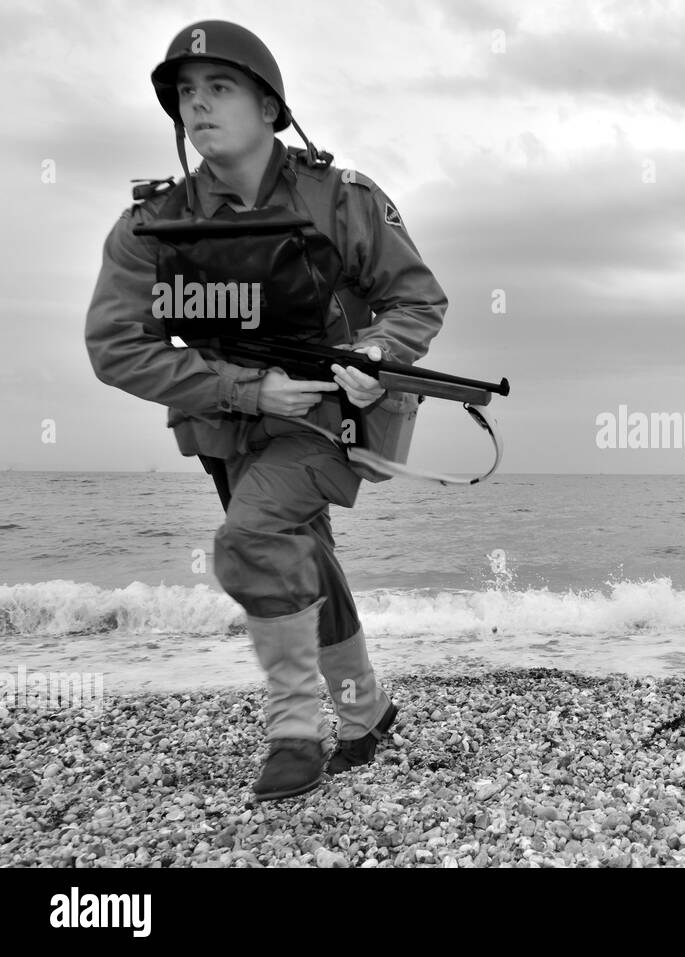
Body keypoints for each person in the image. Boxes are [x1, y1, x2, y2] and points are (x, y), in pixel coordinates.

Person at [85, 20, 448, 800]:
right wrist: (246, 389)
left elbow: (417, 299)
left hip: (332, 418)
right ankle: (366, 712)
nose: (197, 105)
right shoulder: (152, 223)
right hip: (225, 423)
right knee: (301, 555)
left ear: (270, 108)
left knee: (252, 538)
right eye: (186, 92)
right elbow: (115, 345)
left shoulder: (340, 199)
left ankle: (293, 731)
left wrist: (377, 352)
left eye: (219, 87)